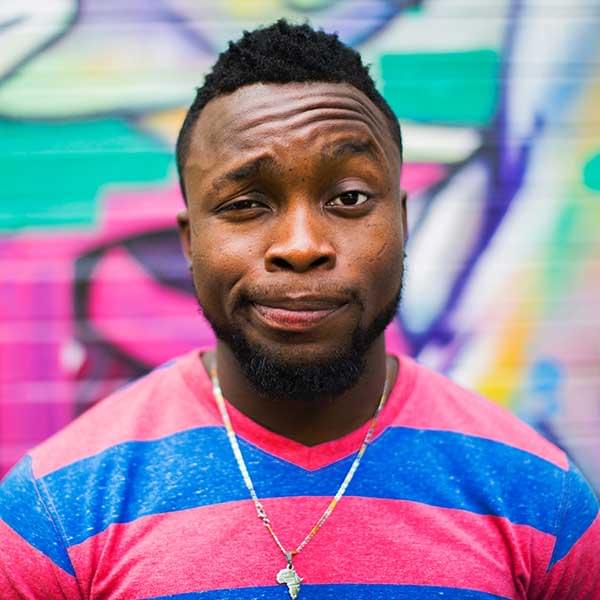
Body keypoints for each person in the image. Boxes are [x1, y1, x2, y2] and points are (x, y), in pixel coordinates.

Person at [1, 19, 598, 599]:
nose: (302, 246)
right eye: (246, 203)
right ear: (190, 243)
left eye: (349, 197)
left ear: (402, 222)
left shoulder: (542, 499)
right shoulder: (55, 510)